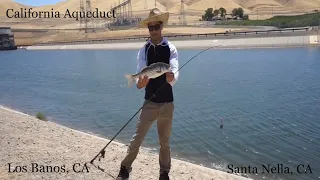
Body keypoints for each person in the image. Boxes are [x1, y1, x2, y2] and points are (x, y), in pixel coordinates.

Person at [116, 8, 179, 180]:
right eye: (150, 28)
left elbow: (175, 74)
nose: (153, 31)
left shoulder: (171, 48)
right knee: (137, 139)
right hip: (149, 102)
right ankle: (125, 168)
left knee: (164, 142)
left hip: (167, 103)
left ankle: (164, 172)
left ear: (161, 27)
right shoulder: (143, 50)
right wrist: (139, 82)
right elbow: (139, 78)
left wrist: (171, 77)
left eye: (156, 27)